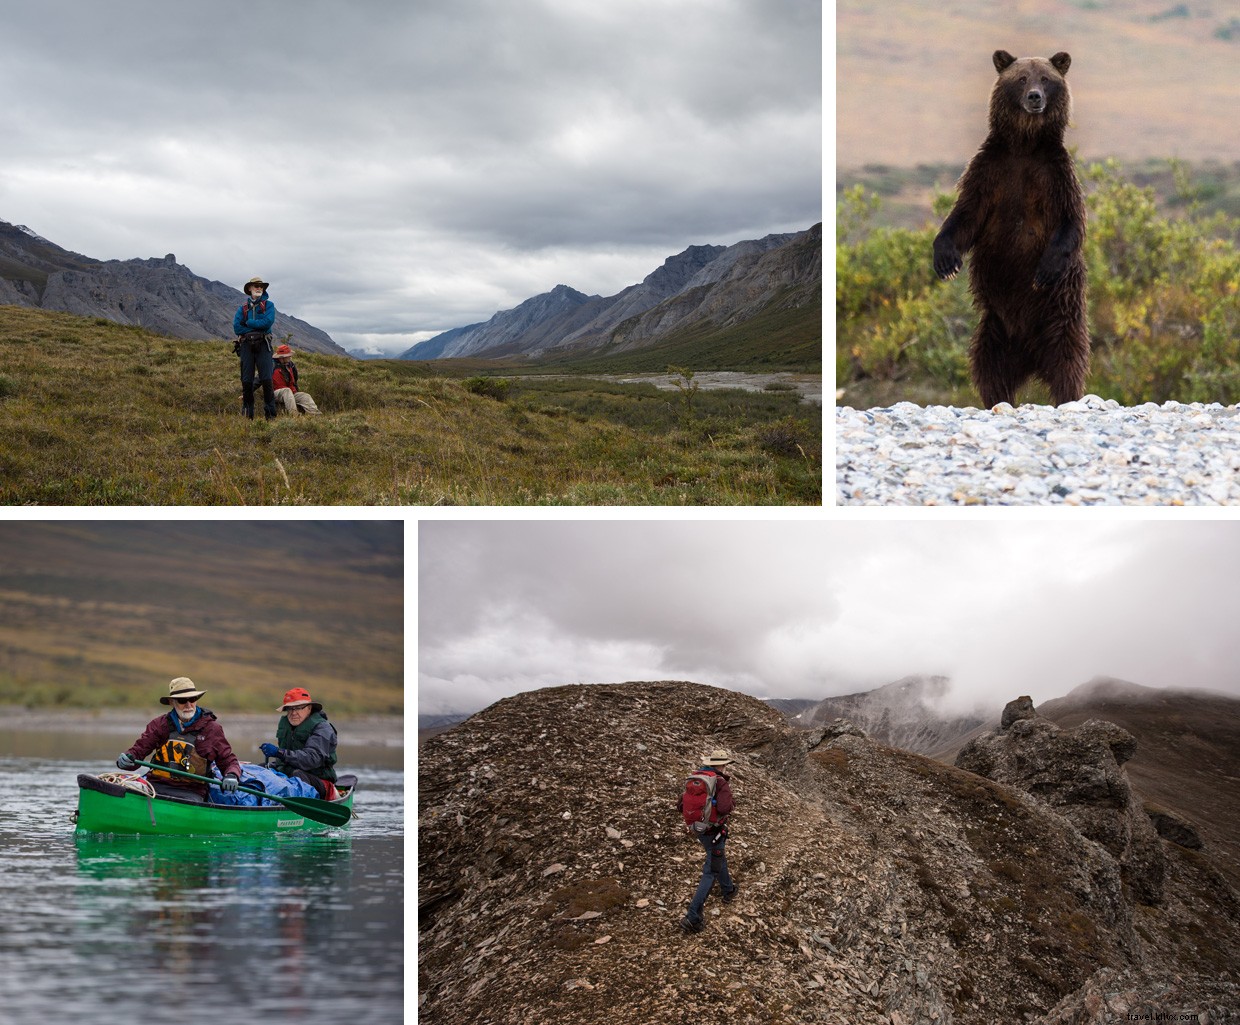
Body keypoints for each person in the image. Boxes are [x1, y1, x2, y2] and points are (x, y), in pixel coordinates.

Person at [116, 677, 242, 802]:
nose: (188, 705)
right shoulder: (159, 725)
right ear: (172, 702)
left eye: (192, 699)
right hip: (155, 786)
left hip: (192, 792)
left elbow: (228, 760)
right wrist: (127, 759)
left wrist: (232, 775)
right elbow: (138, 752)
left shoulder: (212, 729)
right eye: (182, 700)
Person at [678, 748, 738, 933]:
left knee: (717, 857)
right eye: (725, 764)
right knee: (711, 870)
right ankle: (693, 916)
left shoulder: (695, 777)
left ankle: (728, 889)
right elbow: (725, 807)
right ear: (721, 765)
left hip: (698, 829)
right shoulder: (719, 782)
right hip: (714, 829)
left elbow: (680, 805)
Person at [259, 688, 339, 799]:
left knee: (298, 775)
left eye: (298, 708)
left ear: (309, 708)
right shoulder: (285, 723)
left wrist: (279, 753)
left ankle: (299, 806)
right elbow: (283, 762)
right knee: (260, 769)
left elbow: (311, 759)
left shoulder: (322, 728)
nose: (293, 713)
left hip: (319, 780)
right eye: (290, 709)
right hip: (289, 774)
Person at [232, 276, 278, 419]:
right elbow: (237, 327)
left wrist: (250, 323)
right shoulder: (243, 308)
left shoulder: (269, 305)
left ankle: (270, 416)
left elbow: (267, 323)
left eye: (261, 286)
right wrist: (254, 331)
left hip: (264, 345)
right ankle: (247, 416)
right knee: (246, 381)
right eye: (256, 286)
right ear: (250, 289)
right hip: (246, 346)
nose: (259, 288)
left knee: (266, 380)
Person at [271, 343, 322, 415]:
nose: (290, 357)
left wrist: (295, 391)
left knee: (305, 396)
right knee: (287, 391)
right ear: (282, 357)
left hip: (290, 393)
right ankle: (294, 415)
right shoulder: (271, 366)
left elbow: (295, 380)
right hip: (275, 393)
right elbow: (260, 379)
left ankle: (315, 414)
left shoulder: (290, 366)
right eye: (288, 356)